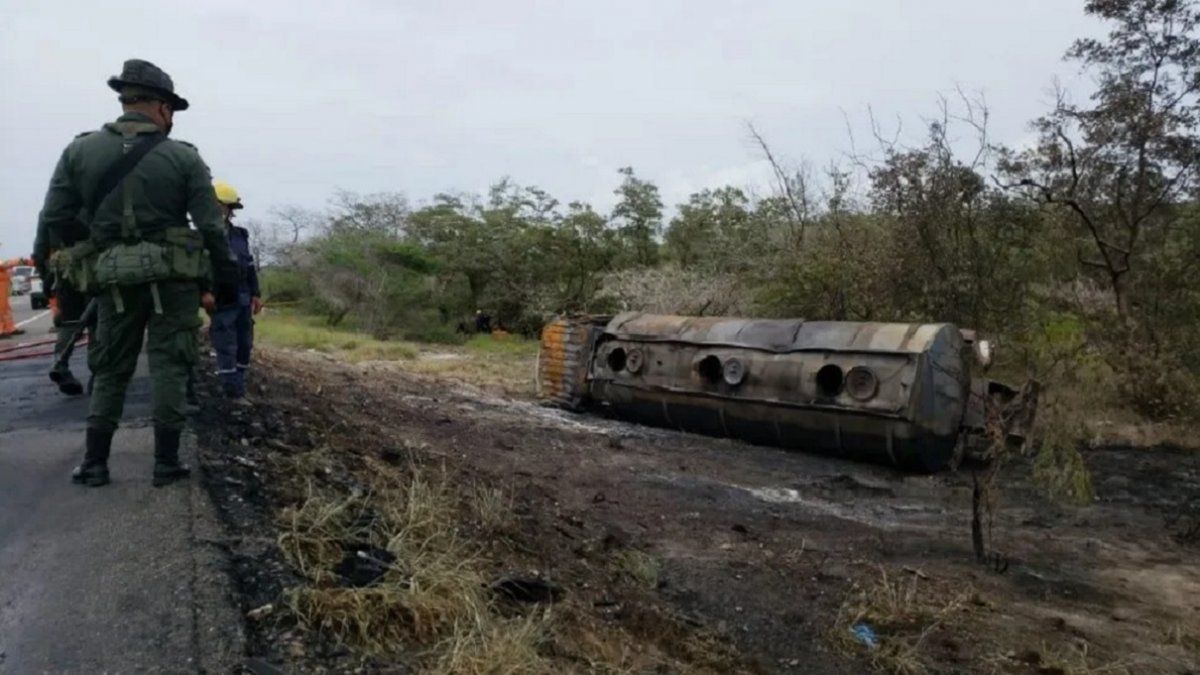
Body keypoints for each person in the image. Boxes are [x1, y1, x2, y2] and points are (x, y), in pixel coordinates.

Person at [36, 58, 238, 488]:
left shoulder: (79, 150)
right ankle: (166, 463)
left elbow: (56, 216)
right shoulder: (183, 157)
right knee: (170, 365)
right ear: (163, 107)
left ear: (125, 101)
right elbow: (210, 228)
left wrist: (99, 246)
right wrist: (223, 281)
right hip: (174, 281)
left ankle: (95, 464)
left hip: (114, 280)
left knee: (109, 369)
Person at [209, 180, 262, 399]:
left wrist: (256, 293)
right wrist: (205, 292)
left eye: (227, 207)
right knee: (225, 343)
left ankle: (238, 384)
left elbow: (249, 266)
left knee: (244, 343)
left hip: (243, 296)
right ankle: (230, 389)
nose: (225, 211)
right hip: (222, 298)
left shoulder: (241, 235)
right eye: (221, 206)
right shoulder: (204, 235)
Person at [32, 216, 91, 394]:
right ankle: (100, 373)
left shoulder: (52, 208)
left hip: (64, 271)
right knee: (98, 320)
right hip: (93, 267)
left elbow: (39, 249)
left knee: (69, 323)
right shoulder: (96, 197)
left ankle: (60, 363)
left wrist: (46, 277)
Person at [0, 254, 34, 339]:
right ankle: (1, 330)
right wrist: (17, 261)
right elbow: (3, 264)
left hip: (3, 285)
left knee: (5, 308)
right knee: (1, 308)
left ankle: (9, 328)